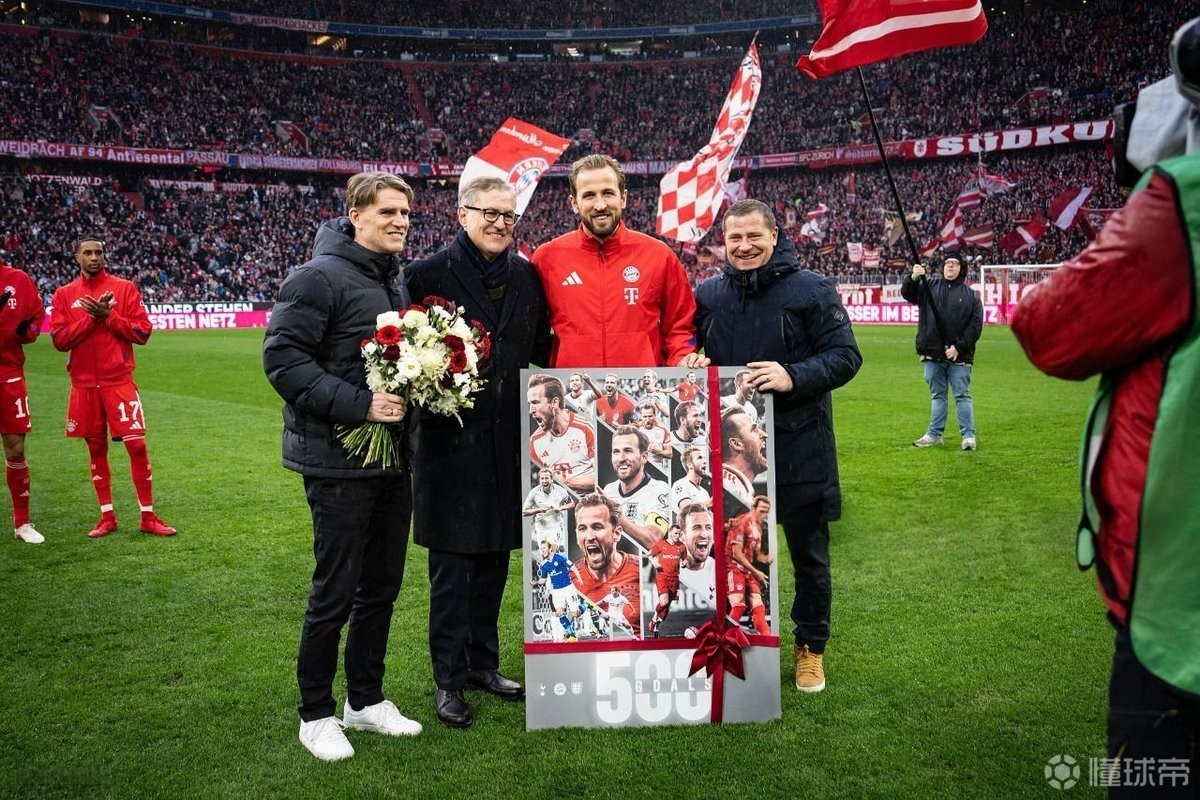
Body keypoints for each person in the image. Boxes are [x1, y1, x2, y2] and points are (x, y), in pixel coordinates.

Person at [1012, 20, 1200, 791]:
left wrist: (1149, 190)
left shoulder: (1184, 203)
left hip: (1180, 597)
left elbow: (1050, 331)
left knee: (1156, 773)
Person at [262, 172, 421, 761]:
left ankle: (365, 700)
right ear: (356, 214)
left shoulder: (393, 278)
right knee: (335, 590)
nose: (400, 221)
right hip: (335, 461)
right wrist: (361, 404)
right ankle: (315, 714)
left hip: (391, 460)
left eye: (405, 212)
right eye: (388, 211)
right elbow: (282, 360)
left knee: (381, 587)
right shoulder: (316, 276)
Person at [695, 199, 862, 694]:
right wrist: (689, 358)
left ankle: (811, 646)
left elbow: (846, 356)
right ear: (723, 242)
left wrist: (794, 375)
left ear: (774, 236)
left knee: (809, 556)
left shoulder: (812, 289)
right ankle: (735, 639)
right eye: (734, 238)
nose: (744, 246)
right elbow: (689, 347)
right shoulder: (709, 294)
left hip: (799, 446)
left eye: (754, 236)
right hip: (734, 456)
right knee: (732, 551)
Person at [405, 176, 551, 729]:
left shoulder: (526, 276)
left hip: (508, 444)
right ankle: (448, 679)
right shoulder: (424, 276)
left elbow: (542, 350)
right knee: (452, 573)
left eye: (508, 215)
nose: (499, 223)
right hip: (448, 449)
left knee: (494, 563)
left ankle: (483, 664)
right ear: (462, 214)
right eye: (488, 212)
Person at [50, 236, 176, 540]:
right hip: (83, 385)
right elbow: (60, 341)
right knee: (96, 449)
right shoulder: (64, 294)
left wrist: (109, 316)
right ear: (77, 257)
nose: (94, 257)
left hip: (118, 381)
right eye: (88, 253)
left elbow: (142, 332)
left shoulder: (125, 288)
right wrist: (92, 319)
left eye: (99, 252)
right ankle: (107, 517)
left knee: (137, 445)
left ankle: (148, 516)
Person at [531, 153, 707, 369]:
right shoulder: (547, 259)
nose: (600, 205)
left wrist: (681, 357)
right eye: (589, 195)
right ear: (574, 203)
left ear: (623, 198)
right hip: (574, 389)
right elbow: (531, 331)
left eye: (608, 193)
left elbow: (680, 327)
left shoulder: (659, 256)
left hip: (643, 387)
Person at [901, 256, 983, 450]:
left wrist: (958, 347)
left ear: (961, 268)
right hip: (932, 351)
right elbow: (908, 294)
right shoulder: (929, 286)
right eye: (947, 263)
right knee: (938, 395)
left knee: (962, 395)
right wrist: (913, 278)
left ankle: (968, 436)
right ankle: (934, 434)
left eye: (954, 263)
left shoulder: (971, 295)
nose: (950, 266)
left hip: (959, 355)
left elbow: (975, 325)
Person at [0, 255, 46, 543]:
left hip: (9, 374)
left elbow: (36, 320)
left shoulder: (18, 279)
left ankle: (22, 524)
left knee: (16, 449)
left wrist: (26, 332)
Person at [569, 492, 642, 637]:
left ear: (617, 533)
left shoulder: (640, 570)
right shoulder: (569, 578)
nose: (589, 537)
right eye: (582, 529)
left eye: (597, 527)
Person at [600, 425, 671, 550]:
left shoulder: (659, 490)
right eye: (616, 452)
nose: (621, 458)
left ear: (644, 457)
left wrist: (615, 513)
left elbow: (652, 541)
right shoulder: (609, 490)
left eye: (628, 451)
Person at [528, 373, 596, 493]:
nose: (531, 410)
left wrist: (566, 483)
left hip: (588, 500)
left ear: (554, 403)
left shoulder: (585, 427)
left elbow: (601, 478)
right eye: (530, 404)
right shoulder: (535, 441)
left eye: (536, 402)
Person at [726, 496, 774, 635]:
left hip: (747, 569)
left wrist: (765, 558)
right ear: (753, 508)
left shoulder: (758, 526)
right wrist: (756, 572)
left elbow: (756, 554)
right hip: (733, 567)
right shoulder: (741, 523)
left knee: (759, 606)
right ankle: (726, 639)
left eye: (766, 511)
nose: (764, 514)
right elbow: (737, 554)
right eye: (761, 510)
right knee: (739, 606)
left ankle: (766, 638)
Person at [531, 538, 587, 642]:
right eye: (541, 549)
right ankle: (572, 635)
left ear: (550, 549)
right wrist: (536, 582)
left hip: (568, 588)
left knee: (575, 614)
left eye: (544, 548)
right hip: (557, 591)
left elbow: (573, 567)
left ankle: (586, 605)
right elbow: (543, 580)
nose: (542, 550)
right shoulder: (543, 564)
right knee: (559, 612)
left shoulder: (560, 557)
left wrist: (579, 579)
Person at [720, 406, 768, 510]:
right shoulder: (729, 488)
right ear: (736, 444)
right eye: (754, 429)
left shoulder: (737, 488)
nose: (764, 434)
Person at [522, 467, 574, 549]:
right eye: (542, 478)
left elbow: (571, 504)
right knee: (545, 553)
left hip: (556, 525)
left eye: (546, 478)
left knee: (554, 550)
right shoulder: (534, 493)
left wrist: (560, 508)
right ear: (539, 480)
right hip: (542, 528)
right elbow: (524, 512)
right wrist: (539, 510)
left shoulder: (560, 491)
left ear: (551, 479)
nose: (544, 481)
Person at [648, 524, 686, 637]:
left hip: (674, 579)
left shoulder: (682, 546)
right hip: (662, 577)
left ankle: (656, 627)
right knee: (664, 602)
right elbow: (649, 554)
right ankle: (654, 619)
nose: (677, 536)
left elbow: (685, 559)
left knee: (667, 606)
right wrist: (654, 562)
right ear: (670, 533)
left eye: (679, 534)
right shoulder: (661, 544)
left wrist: (684, 563)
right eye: (675, 533)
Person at [670, 446, 712, 513]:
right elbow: (686, 510)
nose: (705, 461)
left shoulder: (704, 492)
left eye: (704, 458)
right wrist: (711, 502)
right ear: (690, 465)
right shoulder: (680, 484)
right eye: (700, 458)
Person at [635, 400, 672, 473]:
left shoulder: (663, 430)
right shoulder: (636, 431)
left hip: (657, 471)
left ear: (655, 416)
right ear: (641, 417)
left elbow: (670, 453)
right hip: (639, 471)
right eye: (645, 417)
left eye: (650, 416)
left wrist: (658, 451)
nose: (647, 419)